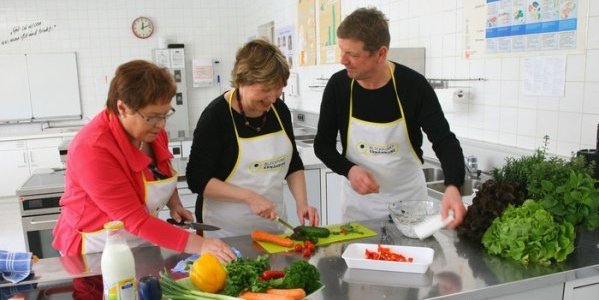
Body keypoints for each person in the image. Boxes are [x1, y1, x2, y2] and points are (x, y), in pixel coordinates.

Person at [52, 60, 236, 263]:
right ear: (122, 108)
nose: (161, 124)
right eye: (152, 116)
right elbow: (134, 220)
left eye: (165, 114)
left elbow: (161, 171)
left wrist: (173, 202)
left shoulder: (152, 133)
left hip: (141, 240)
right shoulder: (93, 148)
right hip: (96, 250)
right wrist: (202, 245)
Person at [314, 7, 466, 227]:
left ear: (381, 54)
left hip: (409, 205)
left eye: (353, 54)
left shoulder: (413, 86)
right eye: (341, 50)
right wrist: (350, 170)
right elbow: (323, 145)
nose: (342, 60)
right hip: (359, 208)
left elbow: (444, 141)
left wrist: (453, 186)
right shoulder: (338, 86)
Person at [186, 39, 319, 238]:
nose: (272, 99)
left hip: (274, 229)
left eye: (278, 90)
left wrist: (302, 203)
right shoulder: (216, 116)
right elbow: (197, 179)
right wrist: (248, 197)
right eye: (265, 90)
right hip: (225, 233)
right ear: (242, 81)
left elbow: (292, 163)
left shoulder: (279, 110)